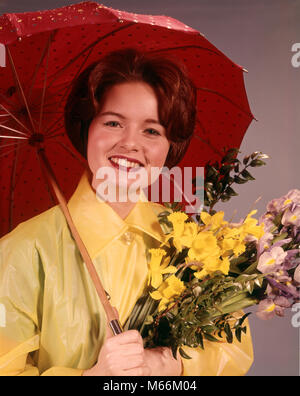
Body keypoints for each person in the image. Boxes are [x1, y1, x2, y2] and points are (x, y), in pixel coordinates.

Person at [0, 48, 253, 376]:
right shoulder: (22, 251)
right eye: (114, 122)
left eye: (152, 130)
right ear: (86, 127)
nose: (131, 143)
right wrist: (96, 377)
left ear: (170, 146)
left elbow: (233, 353)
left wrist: (168, 365)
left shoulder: (193, 245)